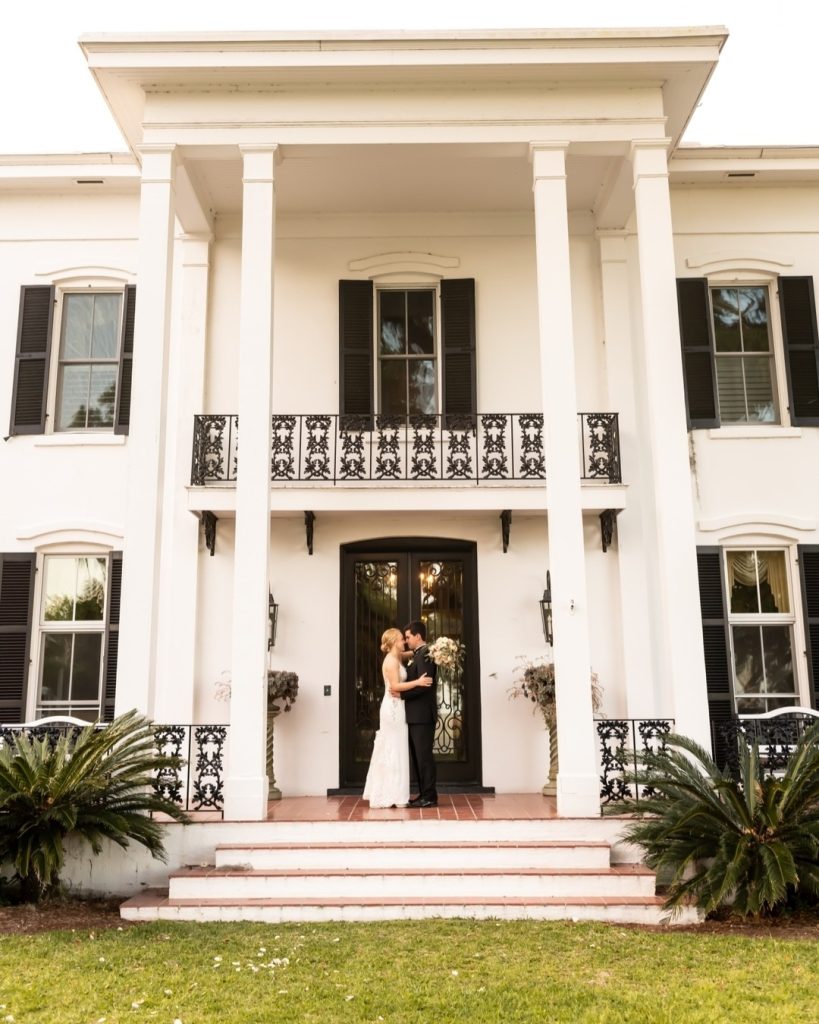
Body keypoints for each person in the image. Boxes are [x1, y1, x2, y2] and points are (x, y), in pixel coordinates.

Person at [363, 627, 432, 808]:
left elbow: (416, 652)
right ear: (394, 642)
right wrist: (418, 682)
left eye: (406, 638)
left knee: (399, 747)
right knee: (393, 747)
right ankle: (390, 792)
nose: (405, 642)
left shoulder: (398, 656)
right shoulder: (390, 662)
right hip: (392, 708)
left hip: (399, 708)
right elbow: (395, 686)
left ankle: (397, 791)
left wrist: (434, 648)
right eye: (402, 639)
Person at [396, 620, 438, 807]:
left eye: (408, 637)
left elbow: (425, 685)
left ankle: (429, 796)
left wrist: (401, 693)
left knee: (424, 757)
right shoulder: (419, 653)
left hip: (422, 715)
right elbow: (408, 653)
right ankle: (423, 794)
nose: (406, 641)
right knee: (418, 757)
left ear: (418, 636)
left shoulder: (427, 654)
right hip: (415, 715)